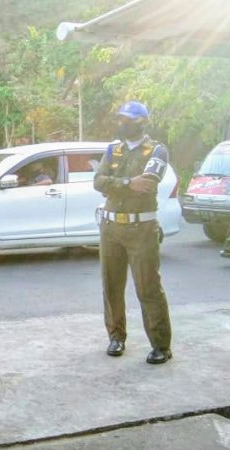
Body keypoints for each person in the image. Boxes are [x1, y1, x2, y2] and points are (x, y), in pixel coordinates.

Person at [93, 101, 172, 365]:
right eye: (120, 119)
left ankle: (161, 345)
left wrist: (114, 185)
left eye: (127, 119)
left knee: (148, 288)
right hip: (111, 227)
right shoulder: (113, 149)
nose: (121, 123)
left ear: (141, 122)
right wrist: (127, 183)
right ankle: (116, 337)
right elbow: (98, 182)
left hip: (141, 229)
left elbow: (147, 184)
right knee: (111, 286)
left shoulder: (158, 150)